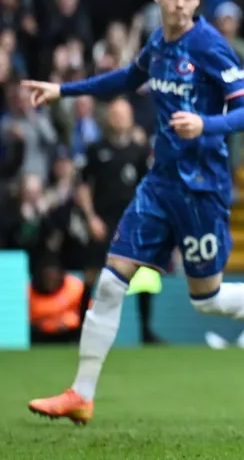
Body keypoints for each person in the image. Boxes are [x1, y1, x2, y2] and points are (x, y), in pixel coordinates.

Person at [23, 0, 244, 426]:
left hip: (202, 187)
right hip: (160, 182)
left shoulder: (210, 46)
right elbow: (125, 79)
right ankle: (80, 394)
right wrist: (63, 89)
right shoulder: (159, 44)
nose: (180, 3)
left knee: (207, 299)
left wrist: (207, 123)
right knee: (108, 283)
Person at [75, 98, 163, 344]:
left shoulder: (140, 151)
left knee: (145, 276)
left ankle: (146, 331)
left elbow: (150, 188)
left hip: (132, 223)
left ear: (131, 117)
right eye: (115, 114)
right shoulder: (95, 149)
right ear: (108, 118)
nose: (119, 119)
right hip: (102, 222)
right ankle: (80, 330)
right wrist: (90, 217)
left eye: (124, 114)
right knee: (92, 275)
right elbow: (82, 186)